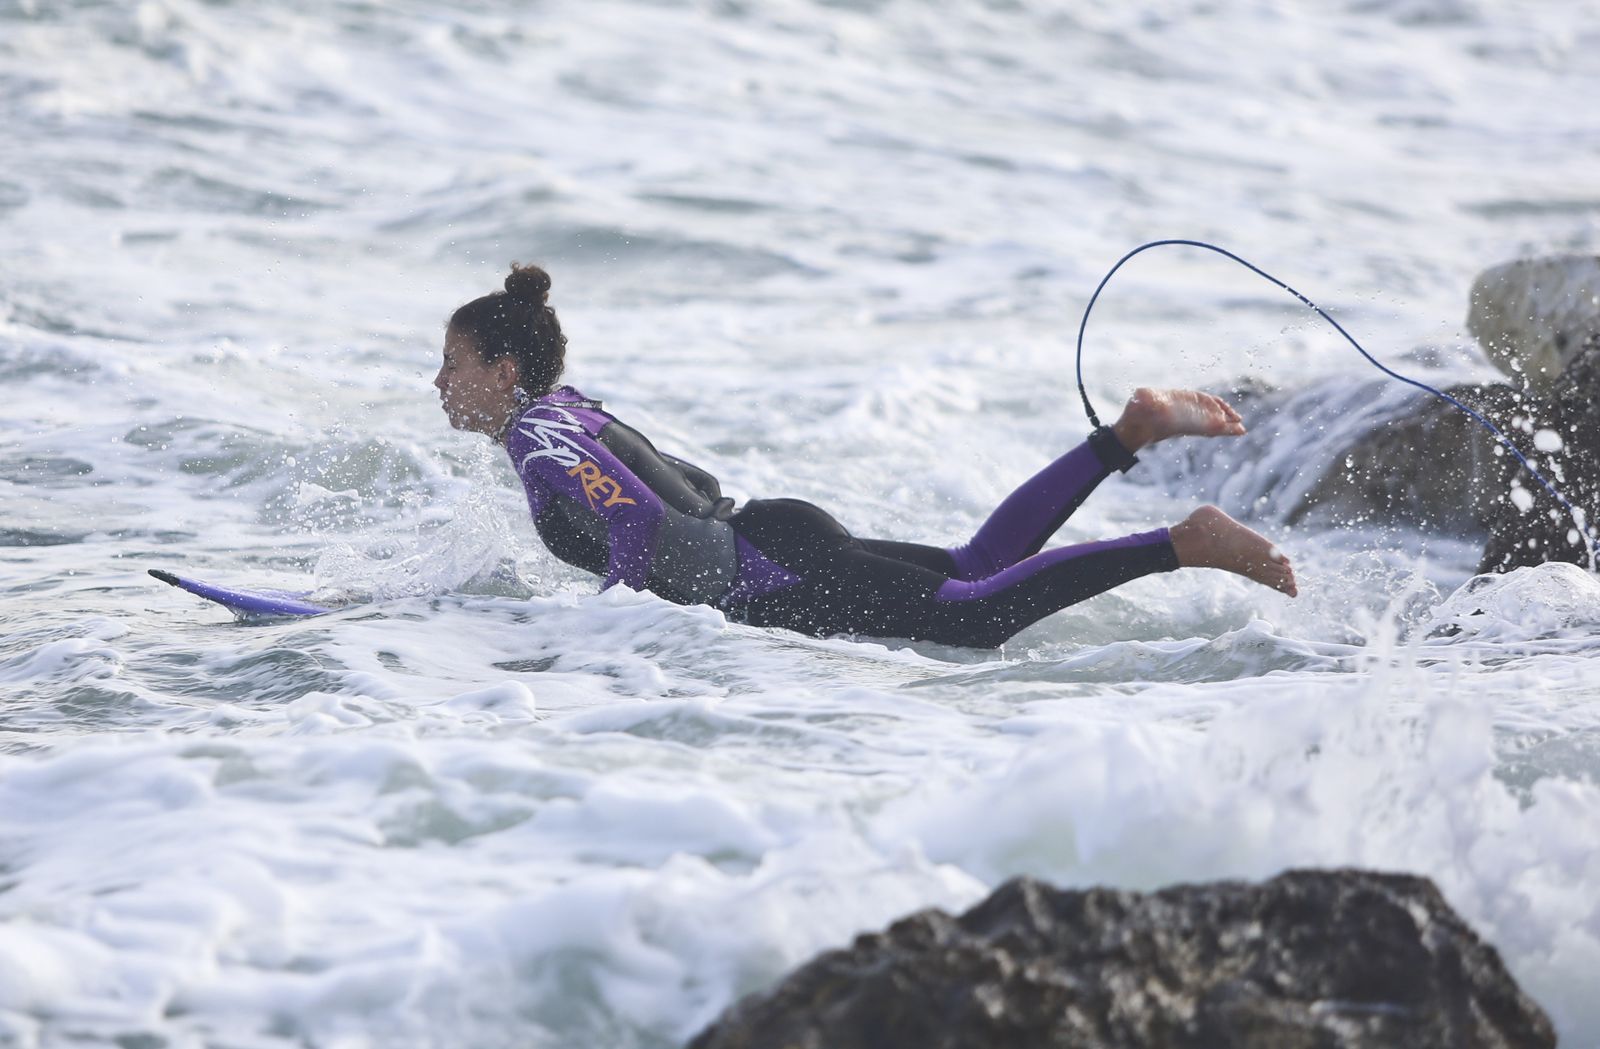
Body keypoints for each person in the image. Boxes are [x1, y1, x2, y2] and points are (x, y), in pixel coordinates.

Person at [433, 263, 1297, 649]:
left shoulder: (538, 440)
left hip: (771, 573)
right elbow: (683, 487)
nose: (439, 381)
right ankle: (1127, 434)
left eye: (454, 363)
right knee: (977, 566)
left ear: (503, 371)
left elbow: (639, 519)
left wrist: (604, 628)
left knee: (972, 614)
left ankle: (1182, 542)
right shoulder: (567, 411)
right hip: (774, 537)